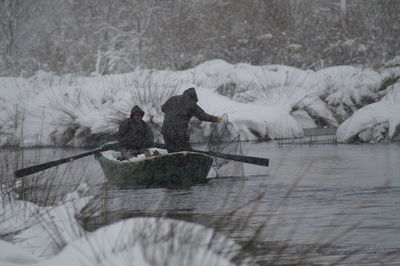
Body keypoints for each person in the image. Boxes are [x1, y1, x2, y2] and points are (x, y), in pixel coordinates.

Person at [161, 87, 222, 152]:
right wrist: (216, 119)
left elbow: (163, 108)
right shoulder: (190, 103)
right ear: (194, 97)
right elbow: (202, 116)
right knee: (187, 152)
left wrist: (174, 112)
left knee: (172, 153)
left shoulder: (173, 98)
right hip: (179, 133)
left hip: (166, 131)